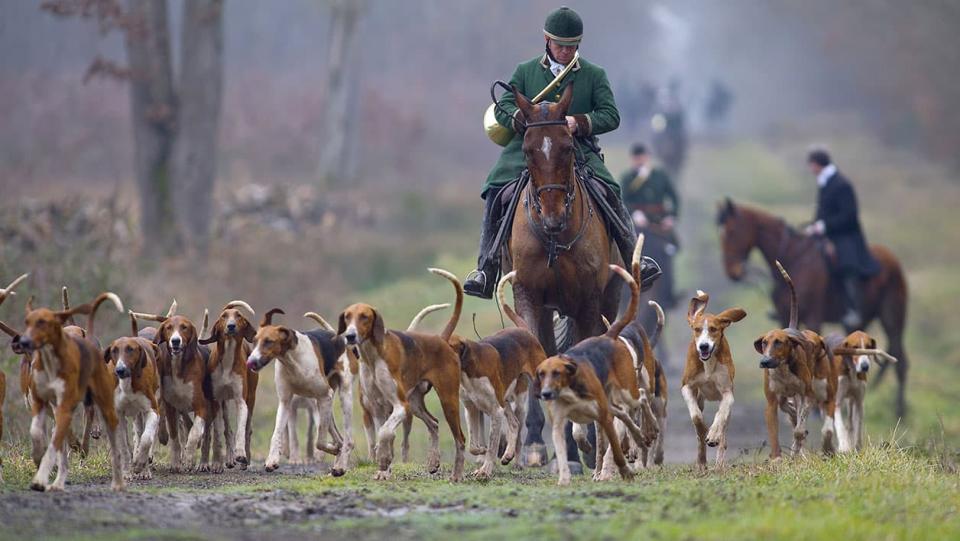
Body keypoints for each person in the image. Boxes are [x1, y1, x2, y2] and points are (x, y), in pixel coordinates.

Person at [464, 6, 645, 298]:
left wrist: (581, 122)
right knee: (496, 189)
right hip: (528, 148)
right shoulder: (525, 71)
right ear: (547, 41)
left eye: (572, 46)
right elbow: (505, 104)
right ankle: (486, 267)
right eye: (561, 45)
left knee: (610, 189)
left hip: (576, 149)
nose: (565, 51)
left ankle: (635, 259)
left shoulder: (594, 74)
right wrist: (520, 119)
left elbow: (611, 115)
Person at [804, 148, 880, 328]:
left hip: (846, 235)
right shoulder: (825, 182)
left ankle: (854, 309)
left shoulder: (841, 184)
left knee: (847, 265)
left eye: (811, 165)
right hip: (827, 234)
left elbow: (849, 216)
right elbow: (822, 211)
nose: (810, 169)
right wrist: (814, 226)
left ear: (817, 165)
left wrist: (824, 226)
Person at [619, 143, 679, 307]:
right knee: (625, 250)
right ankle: (622, 292)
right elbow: (623, 200)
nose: (639, 160)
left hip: (659, 223)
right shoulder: (628, 178)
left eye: (642, 157)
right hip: (637, 224)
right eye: (636, 158)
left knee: (668, 252)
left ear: (647, 157)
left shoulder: (660, 175)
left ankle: (669, 293)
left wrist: (671, 217)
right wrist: (634, 214)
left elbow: (673, 197)